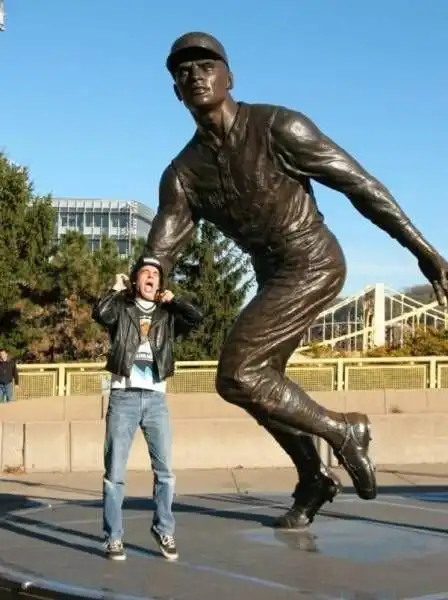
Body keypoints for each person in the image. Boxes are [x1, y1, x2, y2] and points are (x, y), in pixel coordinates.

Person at [143, 32, 448, 530]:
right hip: (270, 277)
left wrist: (422, 249)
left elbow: (360, 185)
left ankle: (343, 430)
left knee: (237, 374)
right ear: (176, 92)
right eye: (183, 72)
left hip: (313, 260)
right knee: (261, 386)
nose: (195, 75)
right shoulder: (182, 173)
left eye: (206, 65)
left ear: (229, 77)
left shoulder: (278, 126)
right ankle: (314, 477)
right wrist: (143, 278)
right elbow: (162, 244)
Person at [92, 256, 203, 560]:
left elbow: (196, 318)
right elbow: (100, 313)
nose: (151, 276)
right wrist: (115, 290)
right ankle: (113, 537)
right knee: (115, 473)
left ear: (160, 283)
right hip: (123, 397)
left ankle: (163, 529)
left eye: (155, 273)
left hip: (156, 399)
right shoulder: (122, 309)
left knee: (165, 472)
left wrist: (175, 301)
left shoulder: (167, 316)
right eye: (145, 272)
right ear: (136, 280)